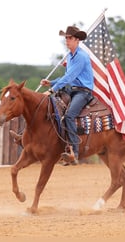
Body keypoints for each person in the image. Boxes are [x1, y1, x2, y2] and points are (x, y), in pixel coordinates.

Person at [41, 26, 94, 165]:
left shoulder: (81, 56)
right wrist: (51, 82)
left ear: (77, 40)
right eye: (66, 38)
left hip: (83, 92)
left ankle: (74, 152)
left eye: (69, 38)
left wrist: (52, 89)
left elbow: (70, 77)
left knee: (69, 115)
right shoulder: (70, 56)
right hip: (72, 89)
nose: (67, 41)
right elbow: (67, 76)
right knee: (54, 109)